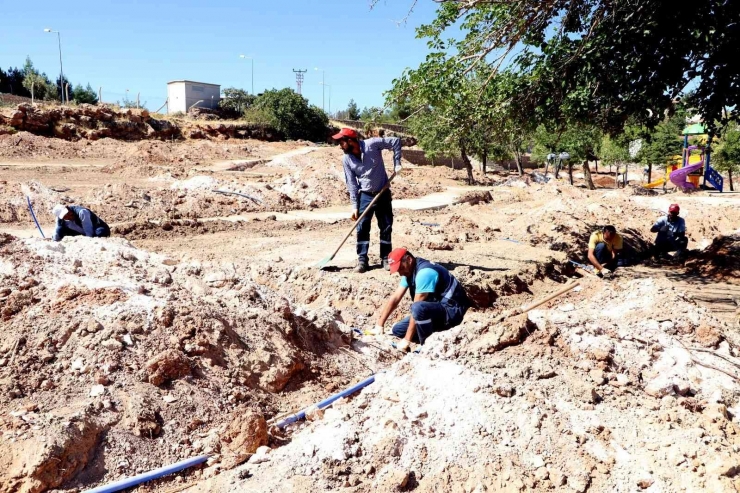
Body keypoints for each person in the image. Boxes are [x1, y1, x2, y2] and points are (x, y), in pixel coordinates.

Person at [370, 248, 471, 352]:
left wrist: (406, 341)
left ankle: (426, 345)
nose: (400, 273)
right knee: (398, 330)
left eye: (400, 268)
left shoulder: (424, 273)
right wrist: (379, 325)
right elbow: (395, 298)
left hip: (452, 310)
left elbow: (417, 306)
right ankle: (436, 332)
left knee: (418, 308)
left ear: (409, 259)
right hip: (438, 308)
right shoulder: (409, 271)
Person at [333, 127, 402, 273]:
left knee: (386, 226)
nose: (340, 145)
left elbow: (395, 141)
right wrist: (354, 206)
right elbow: (351, 183)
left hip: (382, 193)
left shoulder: (372, 144)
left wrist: (397, 163)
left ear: (350, 140)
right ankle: (362, 260)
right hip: (365, 195)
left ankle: (385, 258)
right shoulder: (346, 159)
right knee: (362, 227)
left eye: (341, 142)